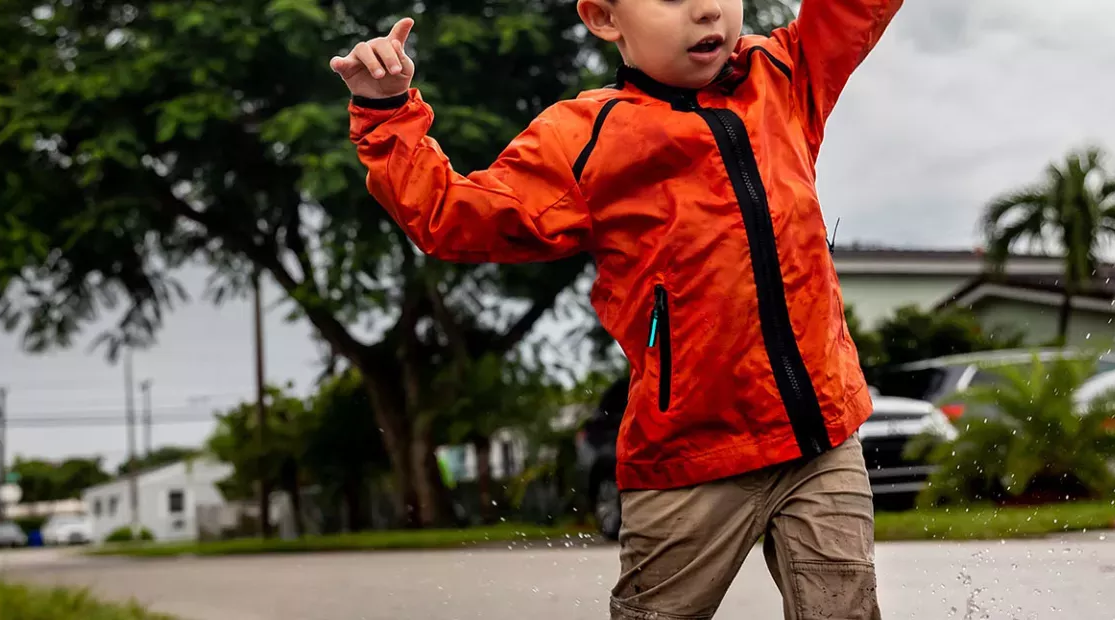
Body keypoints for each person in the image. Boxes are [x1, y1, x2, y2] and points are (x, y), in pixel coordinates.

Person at [332, 0, 902, 618]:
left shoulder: (785, 74)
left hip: (821, 437)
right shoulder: (583, 137)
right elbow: (452, 215)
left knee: (844, 611)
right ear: (605, 18)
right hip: (688, 458)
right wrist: (387, 113)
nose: (707, 10)